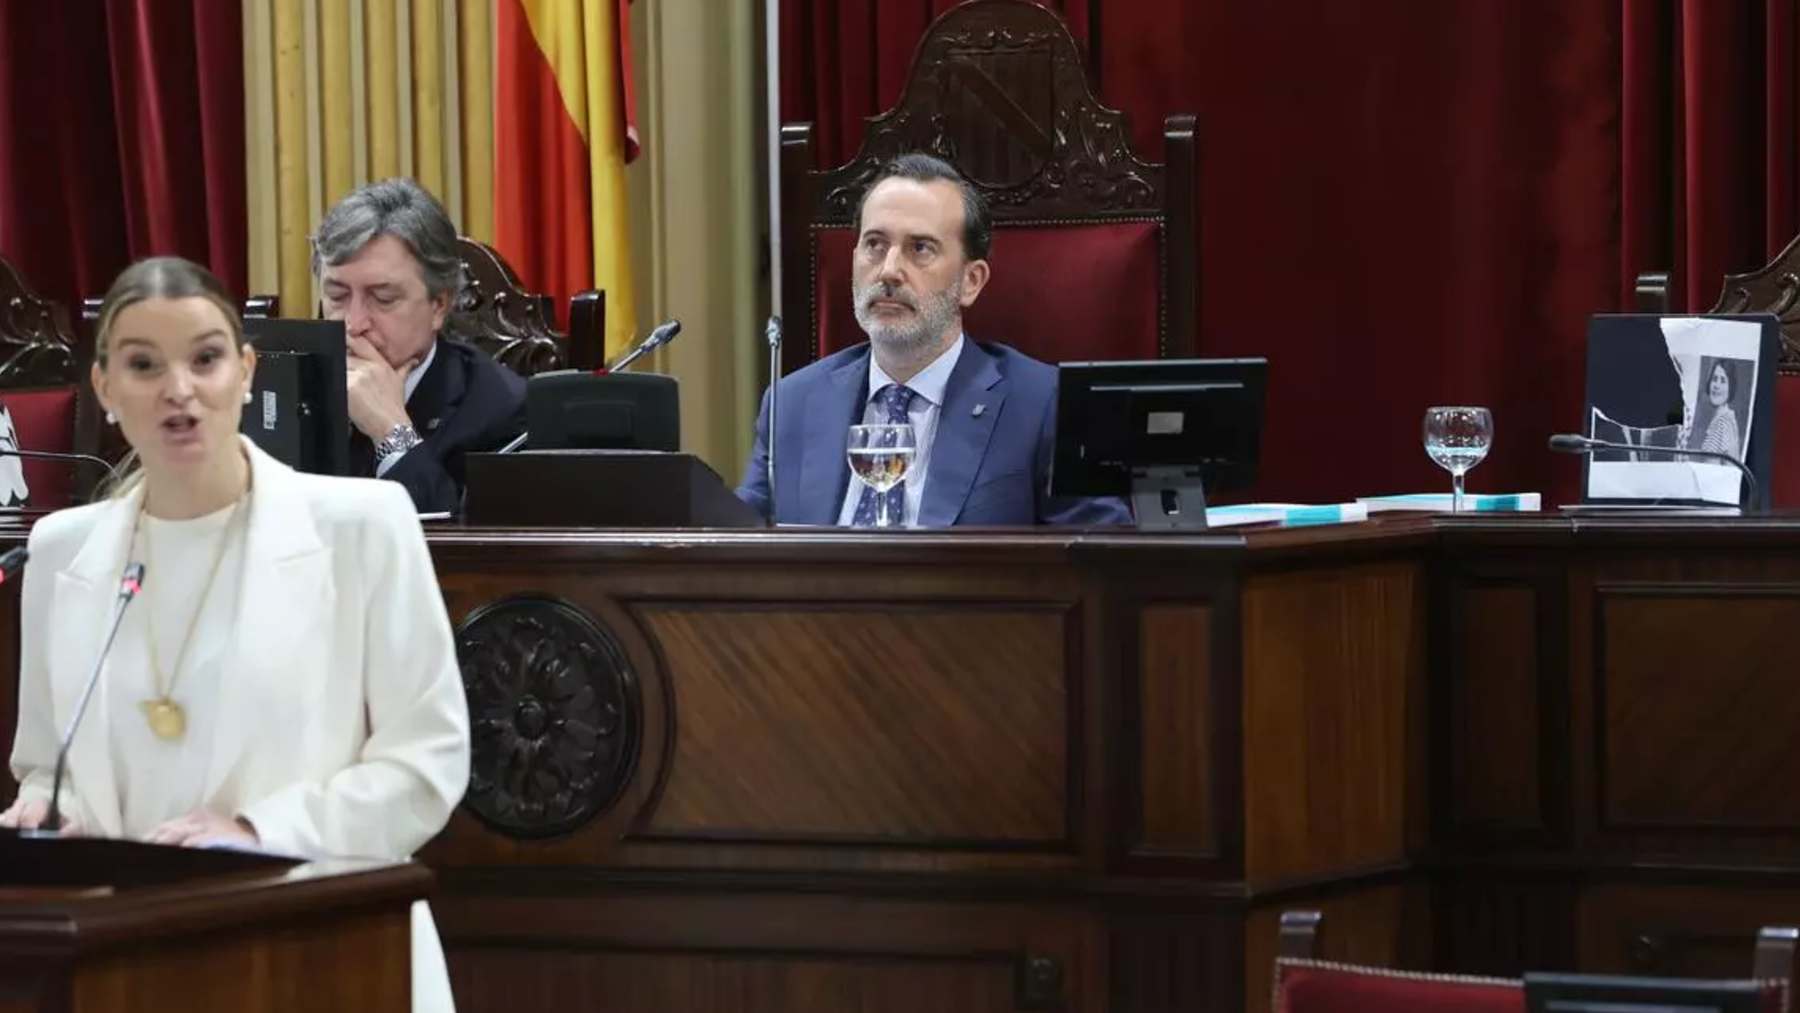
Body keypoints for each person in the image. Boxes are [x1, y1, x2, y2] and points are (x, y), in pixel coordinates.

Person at [0, 257, 469, 1013]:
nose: (178, 389)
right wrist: (48, 815)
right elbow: (45, 769)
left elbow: (429, 764)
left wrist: (257, 828)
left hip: (324, 950)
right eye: (144, 365)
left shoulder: (363, 527)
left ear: (247, 372)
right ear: (105, 389)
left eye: (206, 358)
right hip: (130, 966)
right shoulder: (62, 551)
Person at [736, 153, 1131, 527]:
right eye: (875, 244)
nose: (889, 270)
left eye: (919, 248)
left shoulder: (1045, 405)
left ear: (970, 282)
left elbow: (1102, 560)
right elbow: (736, 545)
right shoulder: (791, 404)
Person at [314, 177, 525, 514]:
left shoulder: (501, 411)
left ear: (439, 305)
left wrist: (391, 431)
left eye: (382, 299)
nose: (352, 324)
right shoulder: (281, 384)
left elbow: (462, 552)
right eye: (337, 296)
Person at [1696, 360, 1742, 460]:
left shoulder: (1724, 422)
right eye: (1714, 379)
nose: (1717, 385)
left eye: (1723, 381)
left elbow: (1730, 469)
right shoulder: (1719, 420)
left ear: (1731, 387)